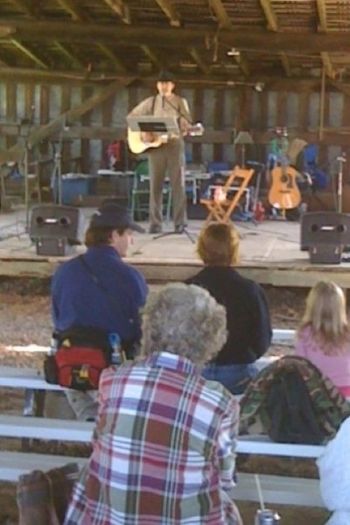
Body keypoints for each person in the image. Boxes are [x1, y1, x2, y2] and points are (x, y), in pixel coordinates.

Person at [64, 283, 242, 525]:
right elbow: (225, 478)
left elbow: (99, 444)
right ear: (210, 340)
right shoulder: (220, 403)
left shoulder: (114, 380)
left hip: (108, 517)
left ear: (149, 328)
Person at [51, 204, 148, 420]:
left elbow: (58, 322)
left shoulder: (63, 272)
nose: (131, 241)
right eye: (129, 234)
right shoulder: (131, 277)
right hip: (115, 373)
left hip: (72, 368)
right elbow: (142, 327)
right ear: (114, 235)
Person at [186, 222, 272, 394]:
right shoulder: (250, 290)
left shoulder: (186, 289)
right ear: (234, 250)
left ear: (201, 250)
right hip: (238, 373)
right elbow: (262, 340)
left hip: (195, 373)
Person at [128, 70, 192, 234]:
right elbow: (133, 117)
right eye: (161, 83)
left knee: (178, 185)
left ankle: (180, 222)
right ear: (157, 85)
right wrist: (144, 132)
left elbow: (186, 121)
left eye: (167, 83)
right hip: (156, 146)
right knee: (155, 185)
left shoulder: (179, 102)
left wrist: (186, 127)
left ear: (172, 85)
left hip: (173, 144)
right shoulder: (151, 102)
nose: (164, 86)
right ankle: (155, 223)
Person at [295, 280, 350, 397]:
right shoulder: (347, 334)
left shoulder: (305, 333)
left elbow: (300, 368)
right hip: (346, 393)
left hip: (318, 395)